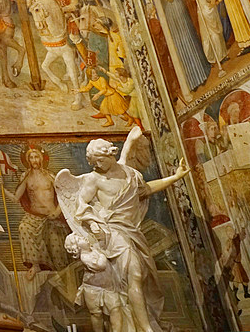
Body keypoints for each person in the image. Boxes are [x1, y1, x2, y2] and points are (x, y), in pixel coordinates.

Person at [70, 138, 189, 332]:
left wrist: (175, 178)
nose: (97, 165)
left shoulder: (130, 174)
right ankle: (145, 328)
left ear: (110, 154)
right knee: (134, 273)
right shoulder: (94, 179)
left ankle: (143, 324)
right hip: (113, 233)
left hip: (132, 232)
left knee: (142, 278)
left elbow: (145, 190)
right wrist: (92, 222)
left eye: (99, 160)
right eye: (94, 162)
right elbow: (81, 205)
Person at [0, 146, 70, 279]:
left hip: (52, 217)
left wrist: (56, 212)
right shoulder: (26, 177)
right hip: (34, 217)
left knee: (55, 240)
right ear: (27, 160)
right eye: (31, 158)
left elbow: (63, 196)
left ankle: (62, 272)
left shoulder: (50, 176)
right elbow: (16, 198)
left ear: (42, 158)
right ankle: (35, 265)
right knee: (23, 227)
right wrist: (2, 189)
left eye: (36, 156)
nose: (34, 160)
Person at [64, 233, 127, 332]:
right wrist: (103, 254)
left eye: (81, 236)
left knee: (115, 309)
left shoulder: (94, 249)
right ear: (76, 247)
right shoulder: (85, 257)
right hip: (93, 290)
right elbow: (101, 265)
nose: (83, 238)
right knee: (96, 314)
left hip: (108, 287)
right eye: (79, 239)